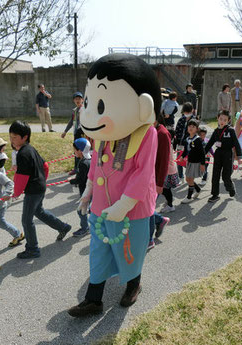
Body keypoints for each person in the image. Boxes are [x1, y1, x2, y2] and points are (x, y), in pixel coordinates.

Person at [67, 53, 160, 317]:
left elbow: (143, 173)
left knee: (129, 249)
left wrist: (126, 202)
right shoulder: (103, 135)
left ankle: (134, 285)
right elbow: (96, 163)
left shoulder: (145, 133)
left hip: (131, 209)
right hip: (101, 206)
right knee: (98, 250)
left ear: (143, 106)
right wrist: (88, 192)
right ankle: (93, 299)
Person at [9, 120, 71, 259]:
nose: (11, 140)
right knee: (39, 211)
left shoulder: (23, 154)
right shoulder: (30, 148)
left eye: (14, 137)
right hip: (40, 187)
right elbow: (46, 165)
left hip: (33, 191)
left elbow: (21, 177)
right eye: (10, 136)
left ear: (24, 137)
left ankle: (32, 249)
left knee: (26, 220)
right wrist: (43, 180)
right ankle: (63, 227)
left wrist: (16, 193)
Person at [204, 110, 242, 202]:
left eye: (225, 120)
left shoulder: (231, 130)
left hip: (228, 154)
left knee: (225, 176)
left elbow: (236, 144)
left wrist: (239, 157)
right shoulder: (216, 131)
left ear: (228, 121)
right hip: (218, 154)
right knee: (215, 175)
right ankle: (215, 195)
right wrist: (203, 153)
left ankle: (230, 188)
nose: (222, 121)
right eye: (221, 119)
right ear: (217, 118)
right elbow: (209, 143)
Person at [148, 112, 171, 250]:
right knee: (146, 208)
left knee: (148, 210)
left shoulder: (162, 134)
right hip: (146, 176)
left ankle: (149, 239)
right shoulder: (151, 131)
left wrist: (159, 183)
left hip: (155, 178)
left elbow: (164, 161)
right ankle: (160, 220)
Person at [69, 138, 92, 237]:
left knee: (80, 210)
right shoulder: (89, 160)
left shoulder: (83, 163)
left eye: (75, 150)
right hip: (91, 191)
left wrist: (71, 180)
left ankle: (85, 228)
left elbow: (81, 180)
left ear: (80, 151)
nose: (74, 152)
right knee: (91, 209)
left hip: (86, 191)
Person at [179, 119, 206, 204]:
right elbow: (186, 150)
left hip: (196, 162)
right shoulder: (187, 139)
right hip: (189, 162)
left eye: (193, 126)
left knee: (189, 179)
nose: (191, 128)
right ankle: (197, 189)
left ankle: (189, 197)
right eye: (189, 126)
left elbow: (202, 153)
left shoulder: (198, 140)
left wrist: (202, 164)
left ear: (197, 129)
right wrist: (182, 156)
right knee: (189, 179)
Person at [62, 91, 85, 175]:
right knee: (76, 151)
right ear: (74, 100)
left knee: (84, 151)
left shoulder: (85, 110)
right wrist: (65, 131)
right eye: (76, 99)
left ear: (82, 100)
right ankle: (76, 168)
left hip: (83, 134)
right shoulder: (75, 110)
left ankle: (84, 168)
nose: (78, 100)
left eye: (79, 98)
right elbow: (71, 122)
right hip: (76, 133)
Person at [174, 102, 196, 178]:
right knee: (179, 161)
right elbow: (176, 130)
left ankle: (190, 175)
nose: (187, 113)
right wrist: (176, 140)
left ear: (192, 111)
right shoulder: (181, 119)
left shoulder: (194, 120)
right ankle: (180, 176)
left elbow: (195, 133)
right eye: (185, 112)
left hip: (189, 145)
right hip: (180, 144)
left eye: (188, 112)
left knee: (188, 161)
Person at [160, 132, 180, 213]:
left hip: (167, 171)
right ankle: (169, 201)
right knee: (167, 189)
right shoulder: (169, 144)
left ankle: (170, 205)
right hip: (170, 170)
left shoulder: (166, 145)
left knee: (165, 189)